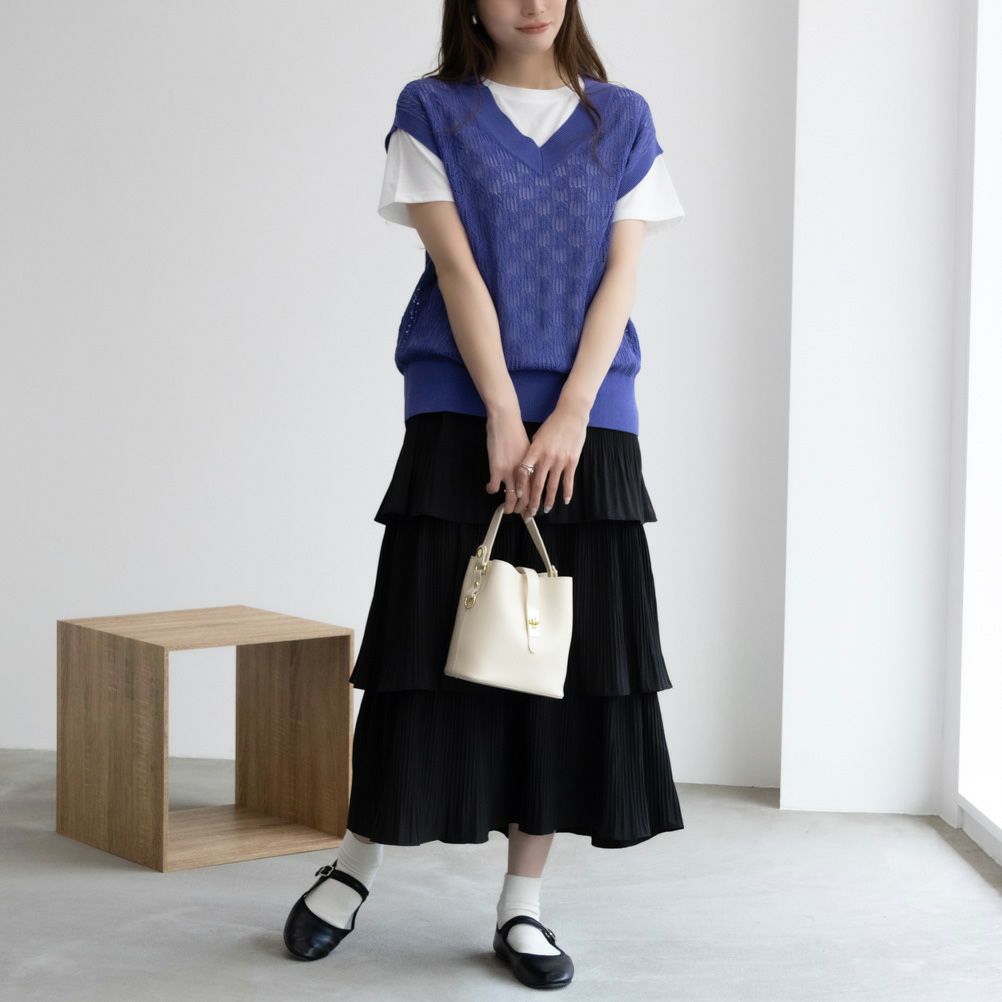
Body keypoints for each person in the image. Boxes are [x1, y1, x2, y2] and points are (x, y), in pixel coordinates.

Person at [284, 0, 686, 989]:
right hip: (464, 405)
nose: (532, 2)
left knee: (557, 660)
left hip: (591, 417)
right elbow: (455, 270)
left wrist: (572, 413)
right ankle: (355, 864)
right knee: (425, 644)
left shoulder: (622, 118)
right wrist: (504, 411)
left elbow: (622, 275)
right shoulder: (433, 110)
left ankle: (523, 904)